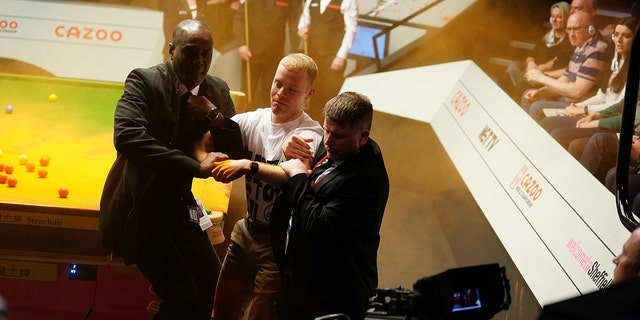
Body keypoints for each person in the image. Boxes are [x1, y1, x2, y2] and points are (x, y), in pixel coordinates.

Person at [99, 19, 238, 320]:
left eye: (206, 53)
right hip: (138, 208)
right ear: (171, 49)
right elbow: (127, 137)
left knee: (212, 290)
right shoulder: (144, 81)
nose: (200, 61)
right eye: (190, 52)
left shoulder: (217, 89)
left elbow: (236, 147)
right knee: (185, 299)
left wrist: (213, 115)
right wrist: (194, 166)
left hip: (182, 208)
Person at [212, 91, 390, 319]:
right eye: (326, 130)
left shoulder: (365, 179)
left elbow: (318, 226)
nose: (327, 141)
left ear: (363, 136)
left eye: (337, 135)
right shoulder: (338, 149)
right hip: (301, 280)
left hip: (332, 295)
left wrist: (297, 178)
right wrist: (287, 151)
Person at [211, 53, 324, 320]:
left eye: (292, 89)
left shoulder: (311, 133)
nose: (280, 94)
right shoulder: (253, 121)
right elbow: (215, 133)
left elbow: (291, 175)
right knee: (220, 314)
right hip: (246, 230)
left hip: (279, 243)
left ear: (309, 93)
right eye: (277, 84)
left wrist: (247, 165)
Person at [539, 16, 637, 148]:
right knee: (548, 121)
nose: (618, 40)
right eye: (616, 35)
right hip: (597, 113)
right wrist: (578, 107)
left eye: (626, 36)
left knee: (554, 130)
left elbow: (618, 106)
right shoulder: (615, 63)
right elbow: (601, 96)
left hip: (608, 119)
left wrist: (585, 109)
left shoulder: (634, 70)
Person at [522, 10, 611, 122]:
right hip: (567, 99)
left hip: (579, 105)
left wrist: (542, 78)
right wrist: (541, 92)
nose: (571, 34)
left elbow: (577, 92)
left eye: (576, 29)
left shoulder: (597, 50)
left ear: (591, 30)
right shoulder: (580, 47)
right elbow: (563, 80)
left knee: (537, 108)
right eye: (569, 29)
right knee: (528, 95)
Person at [297, 0, 358, 121]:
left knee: (331, 98)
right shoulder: (310, 1)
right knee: (313, 96)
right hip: (313, 56)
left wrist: (341, 56)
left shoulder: (348, 1)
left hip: (333, 57)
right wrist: (301, 29)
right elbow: (304, 21)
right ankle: (313, 132)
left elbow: (351, 30)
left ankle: (331, 134)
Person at [233, 0, 298, 109]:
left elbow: (293, 22)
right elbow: (239, 20)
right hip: (251, 53)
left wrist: (293, 49)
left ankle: (267, 122)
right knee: (247, 91)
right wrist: (241, 45)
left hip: (275, 54)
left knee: (271, 92)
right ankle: (241, 120)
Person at [502, 2, 573, 101]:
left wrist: (542, 70)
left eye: (559, 17)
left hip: (547, 77)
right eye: (552, 16)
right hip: (535, 70)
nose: (554, 20)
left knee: (517, 84)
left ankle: (517, 93)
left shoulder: (570, 41)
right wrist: (531, 62)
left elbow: (561, 66)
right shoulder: (548, 36)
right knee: (512, 68)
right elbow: (531, 53)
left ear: (567, 19)